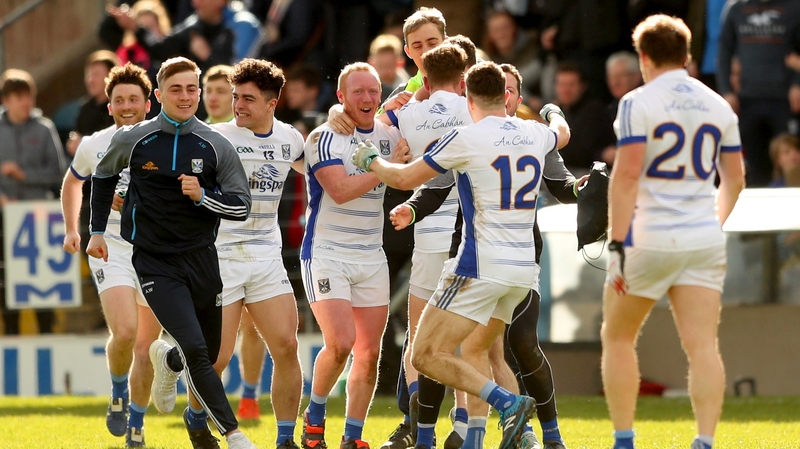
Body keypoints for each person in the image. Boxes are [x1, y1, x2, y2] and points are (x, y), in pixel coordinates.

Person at [352, 61, 570, 449]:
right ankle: (481, 438)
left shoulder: (464, 137)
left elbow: (403, 179)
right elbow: (562, 134)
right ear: (506, 98)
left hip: (478, 267)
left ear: (468, 98)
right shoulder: (535, 132)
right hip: (522, 273)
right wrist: (553, 110)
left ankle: (509, 403)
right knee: (476, 350)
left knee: (424, 356)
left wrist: (371, 161)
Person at [86, 56, 256, 449]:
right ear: (158, 95)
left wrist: (203, 196)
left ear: (200, 93)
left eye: (191, 88)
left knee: (208, 354)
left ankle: (170, 362)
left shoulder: (217, 145)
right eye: (175, 89)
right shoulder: (134, 138)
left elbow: (241, 206)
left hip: (202, 260)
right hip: (153, 262)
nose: (185, 96)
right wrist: (96, 231)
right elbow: (102, 176)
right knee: (197, 348)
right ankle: (233, 434)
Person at [603, 15, 745, 449]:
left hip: (649, 235)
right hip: (702, 237)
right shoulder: (718, 104)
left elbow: (626, 176)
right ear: (687, 56)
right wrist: (712, 223)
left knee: (618, 336)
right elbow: (736, 179)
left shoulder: (637, 101)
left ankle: (625, 439)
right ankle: (704, 440)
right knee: (703, 344)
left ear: (643, 57)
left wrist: (616, 241)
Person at [191, 58, 305, 448]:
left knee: (287, 346)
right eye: (236, 96)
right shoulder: (216, 137)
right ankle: (195, 418)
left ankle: (285, 439)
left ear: (272, 103)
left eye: (248, 99)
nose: (238, 105)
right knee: (218, 359)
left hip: (266, 255)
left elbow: (322, 170)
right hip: (221, 256)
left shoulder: (290, 139)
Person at [299, 62, 410, 449]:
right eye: (357, 91)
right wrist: (388, 167)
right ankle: (314, 418)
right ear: (341, 97)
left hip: (370, 254)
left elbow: (423, 97)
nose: (366, 97)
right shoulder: (323, 137)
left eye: (373, 91)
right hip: (327, 252)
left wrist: (394, 155)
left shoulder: (390, 131)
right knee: (341, 342)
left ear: (380, 95)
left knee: (369, 351)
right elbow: (341, 190)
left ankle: (353, 437)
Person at [61, 62, 163, 448]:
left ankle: (136, 424)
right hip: (111, 248)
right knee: (124, 332)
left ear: (147, 102)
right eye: (118, 99)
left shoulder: (165, 138)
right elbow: (73, 181)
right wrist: (74, 228)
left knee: (146, 346)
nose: (125, 106)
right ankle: (119, 390)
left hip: (155, 251)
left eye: (132, 99)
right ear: (109, 106)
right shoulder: (95, 144)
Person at [380, 43, 472, 449]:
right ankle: (467, 424)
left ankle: (420, 428)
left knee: (419, 337)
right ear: (464, 77)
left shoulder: (409, 112)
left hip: (426, 229)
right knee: (469, 338)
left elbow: (378, 119)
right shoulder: (474, 110)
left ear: (427, 77)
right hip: (467, 233)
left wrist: (418, 93)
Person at [0, 68, 65, 336]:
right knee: (7, 283)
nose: (26, 102)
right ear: (5, 100)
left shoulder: (45, 128)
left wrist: (23, 175)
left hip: (39, 221)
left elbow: (59, 174)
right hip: (4, 222)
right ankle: (11, 335)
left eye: (29, 96)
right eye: (19, 97)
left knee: (43, 286)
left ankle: (47, 336)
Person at [716, 0, 800, 187]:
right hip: (747, 99)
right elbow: (723, 53)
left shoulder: (794, 7)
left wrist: (798, 83)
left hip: (784, 99)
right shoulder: (735, 8)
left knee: (791, 159)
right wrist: (727, 91)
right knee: (752, 163)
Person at [553, 62, 616, 172]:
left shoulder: (594, 111)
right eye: (562, 85)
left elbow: (581, 154)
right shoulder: (557, 110)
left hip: (587, 173)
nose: (566, 90)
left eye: (571, 85)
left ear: (583, 86)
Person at [369, 34, 410, 103]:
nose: (385, 72)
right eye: (381, 66)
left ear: (400, 63)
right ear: (372, 64)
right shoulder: (366, 92)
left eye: (389, 66)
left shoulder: (409, 89)